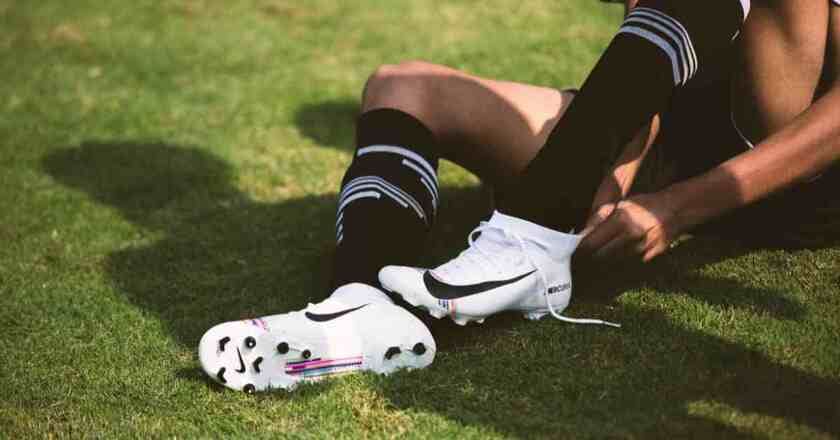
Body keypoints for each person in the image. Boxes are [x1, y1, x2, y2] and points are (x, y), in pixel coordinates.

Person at [199, 0, 840, 392]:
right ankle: (361, 306)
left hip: (795, 159)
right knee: (404, 87)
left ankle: (531, 233)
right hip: (687, 132)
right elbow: (649, 55)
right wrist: (610, 182)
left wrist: (682, 207)